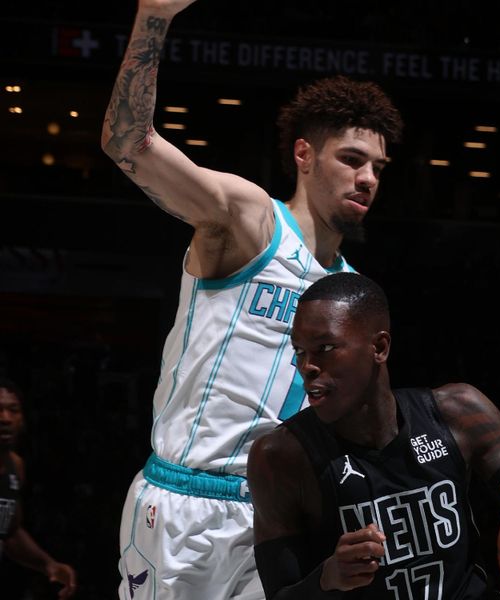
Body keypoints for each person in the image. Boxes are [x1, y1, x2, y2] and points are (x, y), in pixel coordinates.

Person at [100, 1, 403, 598]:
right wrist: (154, 16)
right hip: (182, 505)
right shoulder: (249, 221)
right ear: (304, 155)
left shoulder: (349, 291)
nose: (367, 177)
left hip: (274, 515)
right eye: (351, 159)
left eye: (378, 166)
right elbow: (127, 142)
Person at [247, 272, 500, 598]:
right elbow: (280, 593)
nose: (307, 367)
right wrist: (327, 579)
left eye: (325, 348)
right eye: (299, 352)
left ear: (379, 347)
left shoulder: (460, 413)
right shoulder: (280, 456)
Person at [0, 378, 78, 600]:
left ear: (22, 419)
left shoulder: (15, 467)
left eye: (12, 410)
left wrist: (48, 565)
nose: (5, 418)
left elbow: (10, 532)